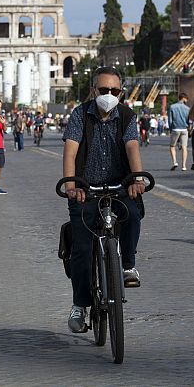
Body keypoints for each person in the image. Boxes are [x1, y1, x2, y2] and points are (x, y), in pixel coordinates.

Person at [61, 66, 145, 332]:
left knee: (132, 213)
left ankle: (128, 266)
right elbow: (70, 152)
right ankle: (80, 305)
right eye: (103, 90)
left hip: (119, 185)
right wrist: (72, 185)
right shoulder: (79, 115)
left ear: (121, 92)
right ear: (93, 90)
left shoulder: (127, 116)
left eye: (114, 90)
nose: (109, 94)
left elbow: (132, 147)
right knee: (83, 247)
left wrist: (136, 179)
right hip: (85, 188)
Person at [168, 92, 190, 170]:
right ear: (184, 98)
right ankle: (184, 166)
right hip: (184, 128)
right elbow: (188, 120)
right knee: (184, 147)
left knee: (172, 146)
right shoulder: (187, 108)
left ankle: (175, 162)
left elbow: (170, 120)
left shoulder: (172, 107)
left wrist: (170, 129)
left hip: (175, 128)